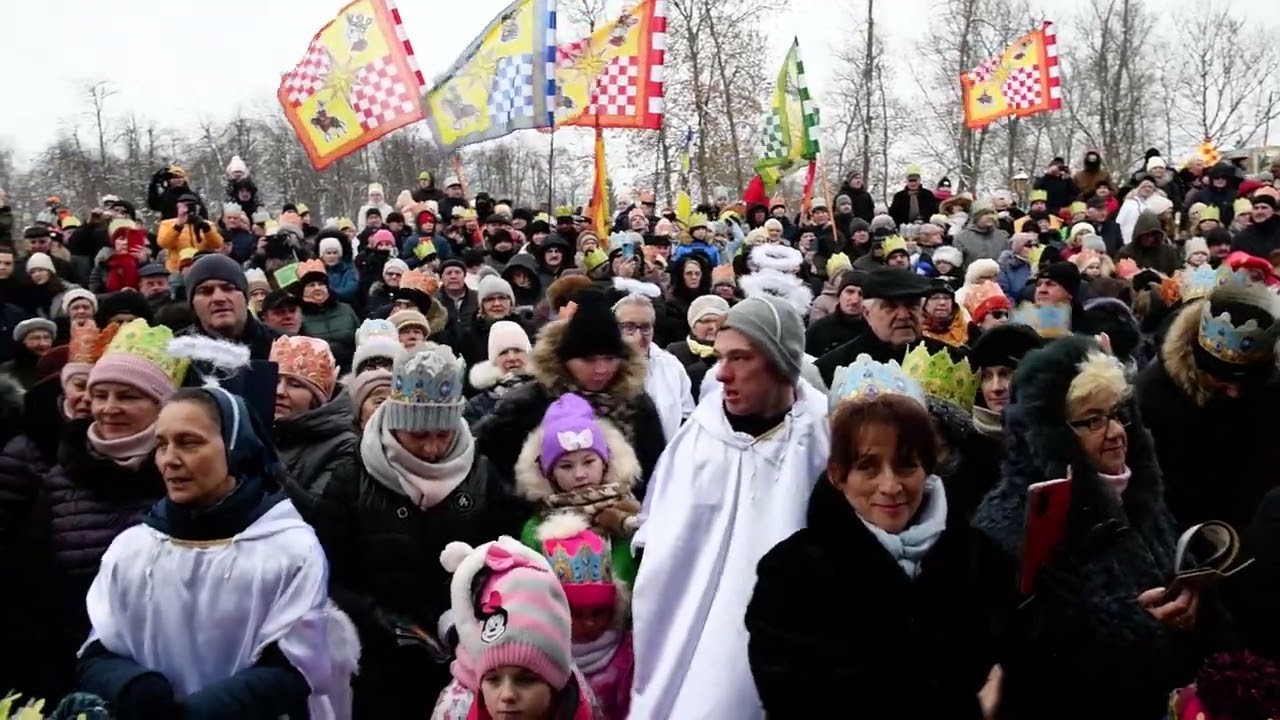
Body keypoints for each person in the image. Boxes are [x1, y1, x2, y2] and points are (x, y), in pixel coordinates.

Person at [973, 335, 1228, 719]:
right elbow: (1035, 665)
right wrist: (1138, 631)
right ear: (1051, 436)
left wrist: (1193, 600)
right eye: (1092, 420)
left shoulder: (1140, 496)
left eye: (1119, 413)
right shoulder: (1014, 527)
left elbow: (1182, 583)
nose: (1115, 432)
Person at [77, 385, 359, 719]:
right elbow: (96, 650)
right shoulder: (133, 548)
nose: (169, 459)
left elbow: (298, 665)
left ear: (235, 447)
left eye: (189, 442)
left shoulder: (289, 550)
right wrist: (135, 688)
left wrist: (207, 710)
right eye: (162, 444)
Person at [747, 374, 1006, 717]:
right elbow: (799, 696)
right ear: (839, 475)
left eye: (905, 465)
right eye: (868, 467)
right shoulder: (791, 572)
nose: (890, 485)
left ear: (927, 468)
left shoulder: (982, 558)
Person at [629, 295, 830, 719]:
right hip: (686, 640)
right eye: (721, 357)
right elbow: (662, 534)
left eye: (740, 357)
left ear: (780, 361)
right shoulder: (697, 437)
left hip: (787, 643)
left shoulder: (822, 435)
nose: (722, 373)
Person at [310, 343, 527, 715]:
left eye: (443, 435)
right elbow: (330, 571)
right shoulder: (352, 477)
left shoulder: (481, 473)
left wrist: (467, 617)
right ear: (396, 423)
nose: (431, 449)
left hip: (465, 653)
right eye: (419, 434)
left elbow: (505, 556)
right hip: (379, 659)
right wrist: (383, 622)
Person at [474, 289, 666, 496]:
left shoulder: (636, 405)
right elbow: (488, 468)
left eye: (610, 359)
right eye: (589, 361)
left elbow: (658, 475)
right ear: (565, 360)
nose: (601, 370)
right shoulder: (527, 405)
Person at [1135, 271, 1280, 531]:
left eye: (1245, 382)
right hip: (1183, 533)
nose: (1234, 393)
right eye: (1222, 380)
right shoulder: (1153, 394)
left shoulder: (1271, 391)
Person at [430, 537, 600, 720]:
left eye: (525, 680)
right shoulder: (455, 709)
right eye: (493, 680)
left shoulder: (581, 702)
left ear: (556, 681)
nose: (507, 695)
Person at [514, 393, 643, 588]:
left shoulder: (631, 517)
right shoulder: (536, 530)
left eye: (589, 462)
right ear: (549, 474)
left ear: (606, 462)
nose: (580, 474)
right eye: (566, 466)